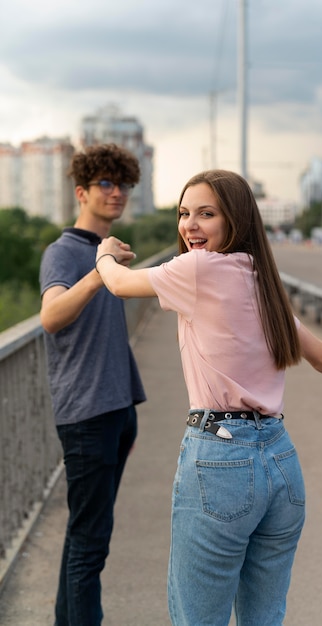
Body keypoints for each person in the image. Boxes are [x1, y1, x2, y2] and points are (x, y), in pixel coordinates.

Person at [95, 169, 322, 626]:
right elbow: (321, 355)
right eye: (184, 213)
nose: (190, 225)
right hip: (281, 463)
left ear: (236, 220)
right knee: (263, 617)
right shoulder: (259, 278)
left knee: (197, 618)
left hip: (220, 457)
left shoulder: (199, 269)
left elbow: (119, 284)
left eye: (207, 214)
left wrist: (104, 254)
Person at [39, 143, 146, 626]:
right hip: (86, 416)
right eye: (105, 183)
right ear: (81, 192)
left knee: (85, 537)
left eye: (122, 184)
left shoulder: (110, 253)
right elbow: (51, 316)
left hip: (118, 408)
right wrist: (100, 270)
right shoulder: (64, 252)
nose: (116, 192)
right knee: (90, 546)